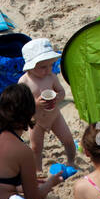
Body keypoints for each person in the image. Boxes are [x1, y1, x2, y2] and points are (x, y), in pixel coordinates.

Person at [18, 38, 76, 175]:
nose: (48, 69)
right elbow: (21, 104)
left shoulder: (51, 77)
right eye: (43, 67)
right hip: (36, 120)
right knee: (36, 147)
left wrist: (57, 98)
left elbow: (61, 92)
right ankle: (38, 170)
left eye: (50, 65)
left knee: (68, 139)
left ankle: (71, 161)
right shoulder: (24, 81)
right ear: (31, 66)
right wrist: (36, 103)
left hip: (54, 116)